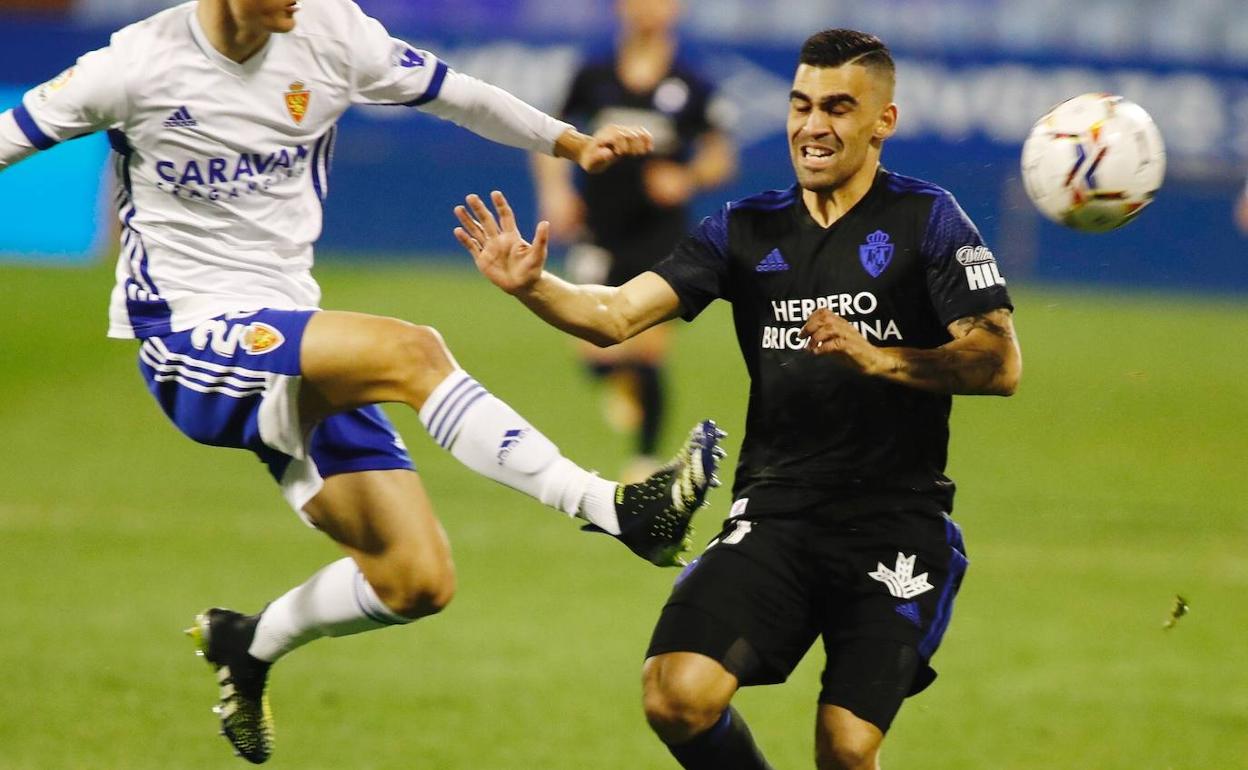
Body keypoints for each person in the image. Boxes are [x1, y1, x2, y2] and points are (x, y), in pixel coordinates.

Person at [0, 0, 726, 764]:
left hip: (291, 341)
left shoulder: (332, 32)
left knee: (415, 580)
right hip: (188, 337)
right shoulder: (133, 65)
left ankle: (248, 645)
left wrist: (571, 143)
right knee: (412, 351)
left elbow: (460, 94)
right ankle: (614, 508)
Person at [456, 29, 1021, 770]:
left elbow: (998, 360)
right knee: (674, 694)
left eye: (839, 107)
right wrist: (535, 285)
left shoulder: (928, 219)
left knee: (847, 750)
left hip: (895, 522)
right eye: (801, 105)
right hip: (777, 513)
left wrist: (876, 356)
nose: (813, 125)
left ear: (883, 121)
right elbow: (614, 315)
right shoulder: (746, 229)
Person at [531, 0, 736, 481]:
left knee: (648, 349)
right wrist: (556, 193)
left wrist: (685, 178)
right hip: (599, 229)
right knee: (592, 346)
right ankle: (619, 382)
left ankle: (644, 462)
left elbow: (720, 158)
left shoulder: (693, 84)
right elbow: (548, 138)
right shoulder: (593, 74)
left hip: (659, 234)